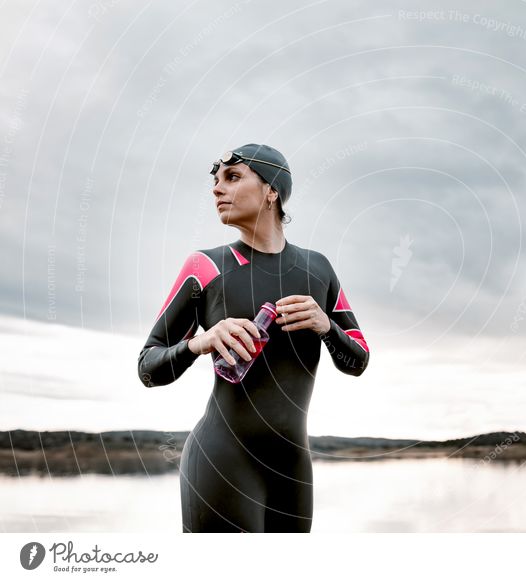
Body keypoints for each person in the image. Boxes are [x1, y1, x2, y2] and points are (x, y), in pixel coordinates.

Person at [137, 143, 370, 532]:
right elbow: (147, 367)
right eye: (215, 181)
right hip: (222, 460)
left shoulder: (319, 268)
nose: (216, 189)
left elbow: (358, 360)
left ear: (271, 190)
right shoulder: (206, 266)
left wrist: (326, 326)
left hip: (293, 469)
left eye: (232, 177)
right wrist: (202, 341)